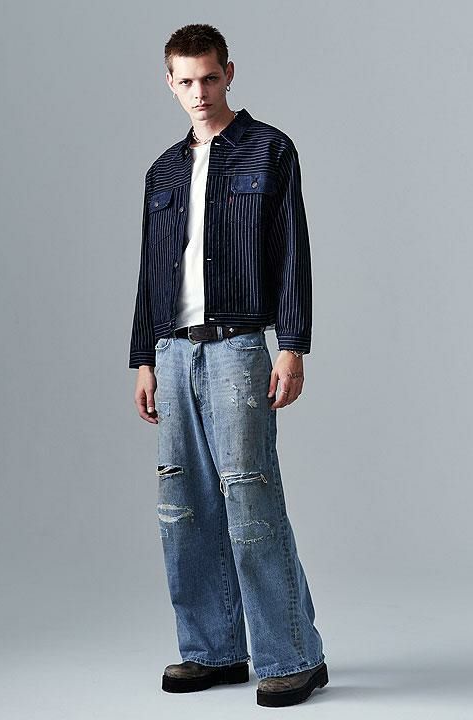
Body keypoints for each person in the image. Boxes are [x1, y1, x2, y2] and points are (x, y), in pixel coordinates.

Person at [128, 23, 328, 708]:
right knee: (182, 506)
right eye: (186, 81)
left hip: (239, 346)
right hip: (173, 349)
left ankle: (294, 657)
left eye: (210, 78)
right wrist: (144, 358)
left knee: (251, 497)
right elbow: (150, 273)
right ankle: (212, 651)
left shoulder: (270, 150)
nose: (199, 92)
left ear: (229, 73)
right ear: (170, 83)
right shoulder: (162, 172)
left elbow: (292, 251)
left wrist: (292, 345)